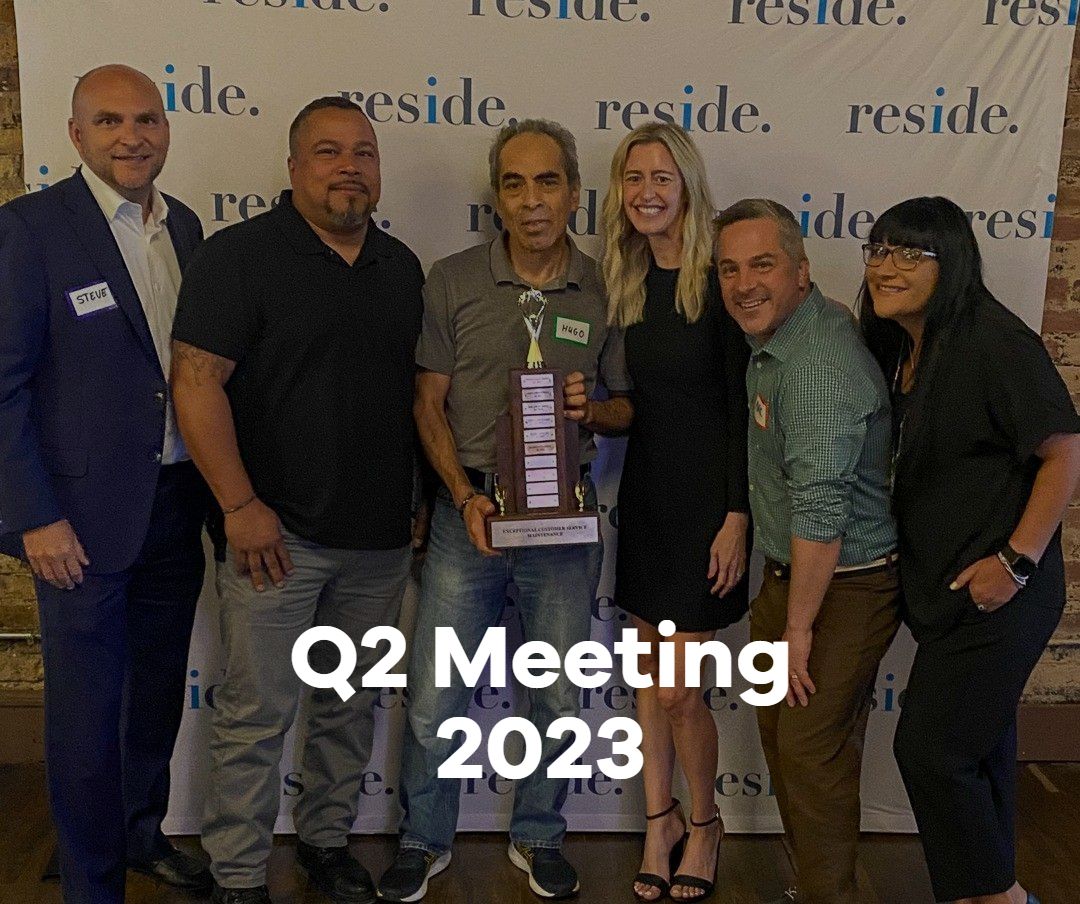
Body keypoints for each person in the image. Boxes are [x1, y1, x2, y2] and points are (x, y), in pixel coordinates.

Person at [170, 96, 424, 904]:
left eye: (363, 152)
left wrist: (415, 495)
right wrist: (240, 505)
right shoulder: (238, 256)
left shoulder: (402, 267)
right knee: (255, 717)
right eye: (327, 151)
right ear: (292, 169)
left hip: (379, 541)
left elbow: (413, 399)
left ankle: (324, 843)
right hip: (274, 536)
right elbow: (196, 382)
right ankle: (239, 876)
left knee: (349, 710)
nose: (349, 166)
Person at [377, 119, 632, 903]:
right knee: (436, 689)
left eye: (547, 182)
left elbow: (628, 408)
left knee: (557, 688)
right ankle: (423, 838)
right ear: (496, 196)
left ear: (574, 194)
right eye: (514, 184)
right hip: (472, 511)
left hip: (565, 518)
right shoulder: (450, 280)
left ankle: (540, 834)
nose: (531, 201)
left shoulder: (604, 286)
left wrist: (596, 411)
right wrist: (462, 495)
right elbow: (428, 404)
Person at [0, 64, 211, 902]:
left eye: (148, 120)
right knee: (86, 717)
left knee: (155, 694)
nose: (134, 136)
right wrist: (34, 517)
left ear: (166, 130)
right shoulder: (31, 229)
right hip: (77, 522)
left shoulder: (185, 227)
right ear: (76, 135)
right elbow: (3, 384)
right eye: (112, 121)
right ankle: (92, 883)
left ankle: (139, 834)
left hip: (172, 503)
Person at [857, 196, 1080, 904]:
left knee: (930, 752)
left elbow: (1065, 452)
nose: (885, 266)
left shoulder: (991, 340)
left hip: (1002, 594)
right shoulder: (904, 344)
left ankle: (1001, 898)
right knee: (979, 753)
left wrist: (1015, 562)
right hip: (948, 594)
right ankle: (984, 891)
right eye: (879, 249)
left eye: (908, 253)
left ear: (950, 261)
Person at [715, 199, 901, 904]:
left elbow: (822, 512)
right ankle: (816, 885)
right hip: (792, 573)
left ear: (801, 270)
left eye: (762, 264)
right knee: (786, 741)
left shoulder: (817, 365)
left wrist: (797, 629)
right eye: (730, 269)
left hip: (844, 584)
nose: (744, 283)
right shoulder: (785, 340)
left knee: (809, 751)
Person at [599, 121, 749, 903]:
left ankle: (705, 822)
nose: (647, 192)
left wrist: (737, 516)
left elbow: (743, 407)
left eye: (662, 176)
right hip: (650, 502)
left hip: (708, 510)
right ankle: (657, 822)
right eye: (634, 178)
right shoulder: (622, 279)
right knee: (647, 684)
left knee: (680, 689)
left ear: (687, 185)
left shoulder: (718, 280)